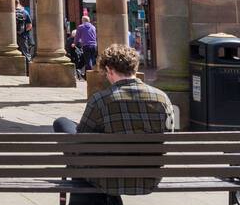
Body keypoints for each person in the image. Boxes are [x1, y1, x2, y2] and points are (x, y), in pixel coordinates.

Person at [53, 43, 174, 194]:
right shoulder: (162, 99)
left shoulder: (100, 100)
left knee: (62, 123)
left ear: (110, 70)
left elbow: (80, 143)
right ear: (134, 68)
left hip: (106, 179)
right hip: (149, 179)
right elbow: (167, 136)